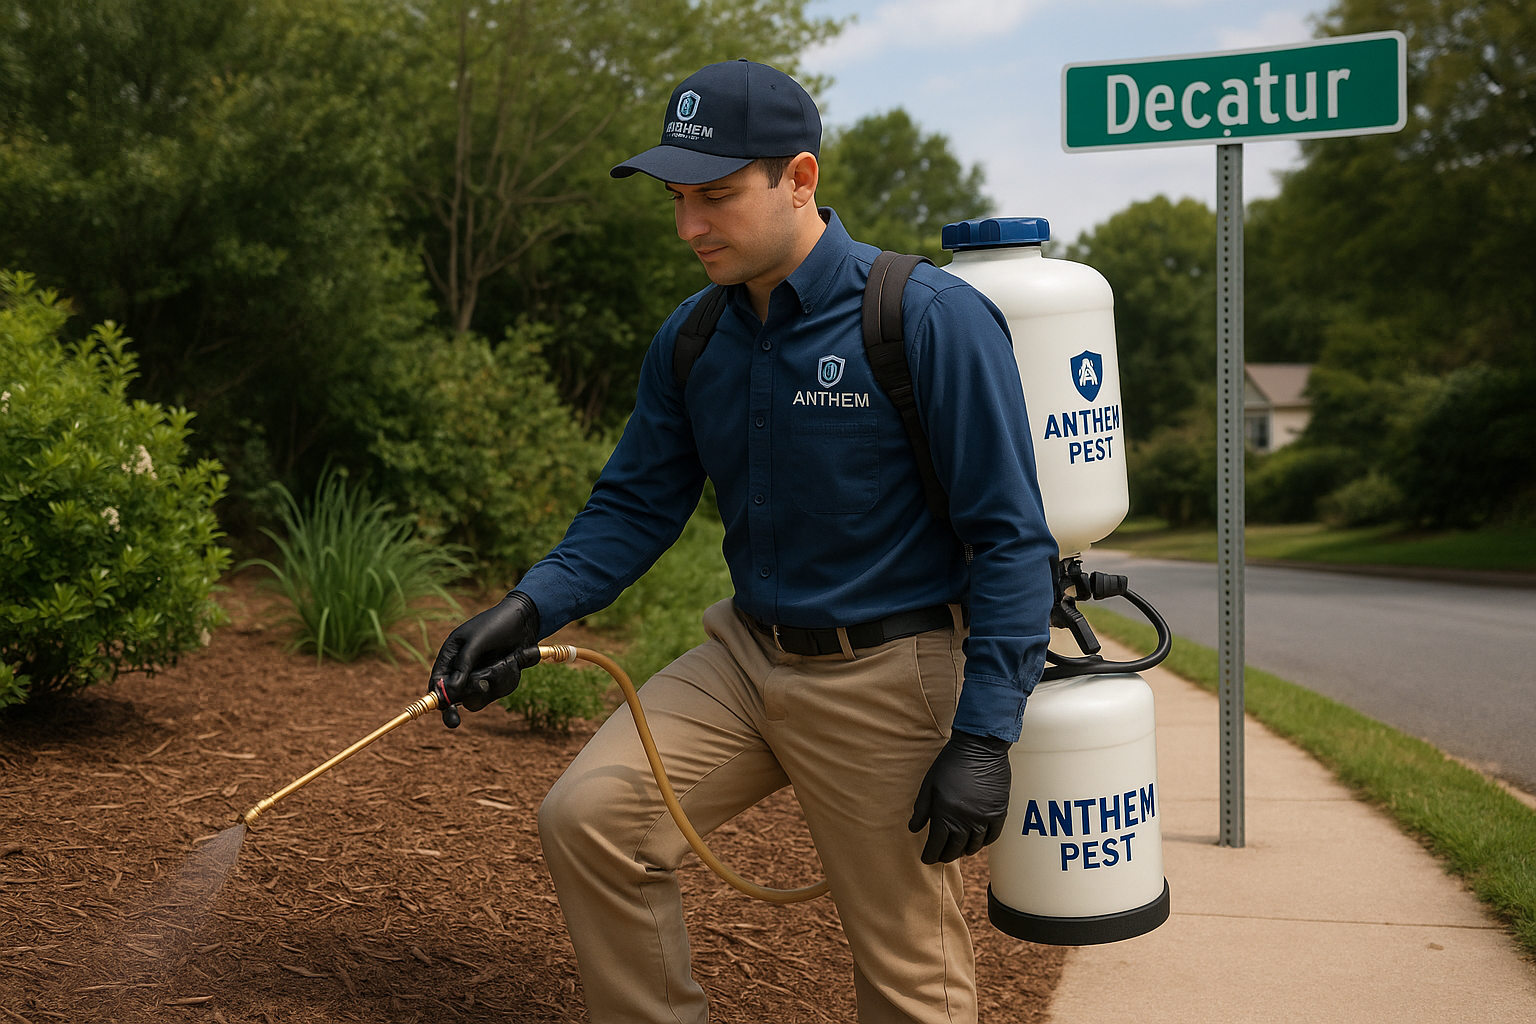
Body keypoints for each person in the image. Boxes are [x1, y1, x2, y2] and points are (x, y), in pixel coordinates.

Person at [428, 59, 1056, 1024]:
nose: (689, 228)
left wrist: (984, 734)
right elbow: (635, 507)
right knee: (590, 819)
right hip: (744, 656)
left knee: (906, 975)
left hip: (888, 671)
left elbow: (1012, 540)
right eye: (678, 199)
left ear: (798, 179)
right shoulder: (692, 339)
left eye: (716, 197)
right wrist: (525, 608)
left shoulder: (923, 318)